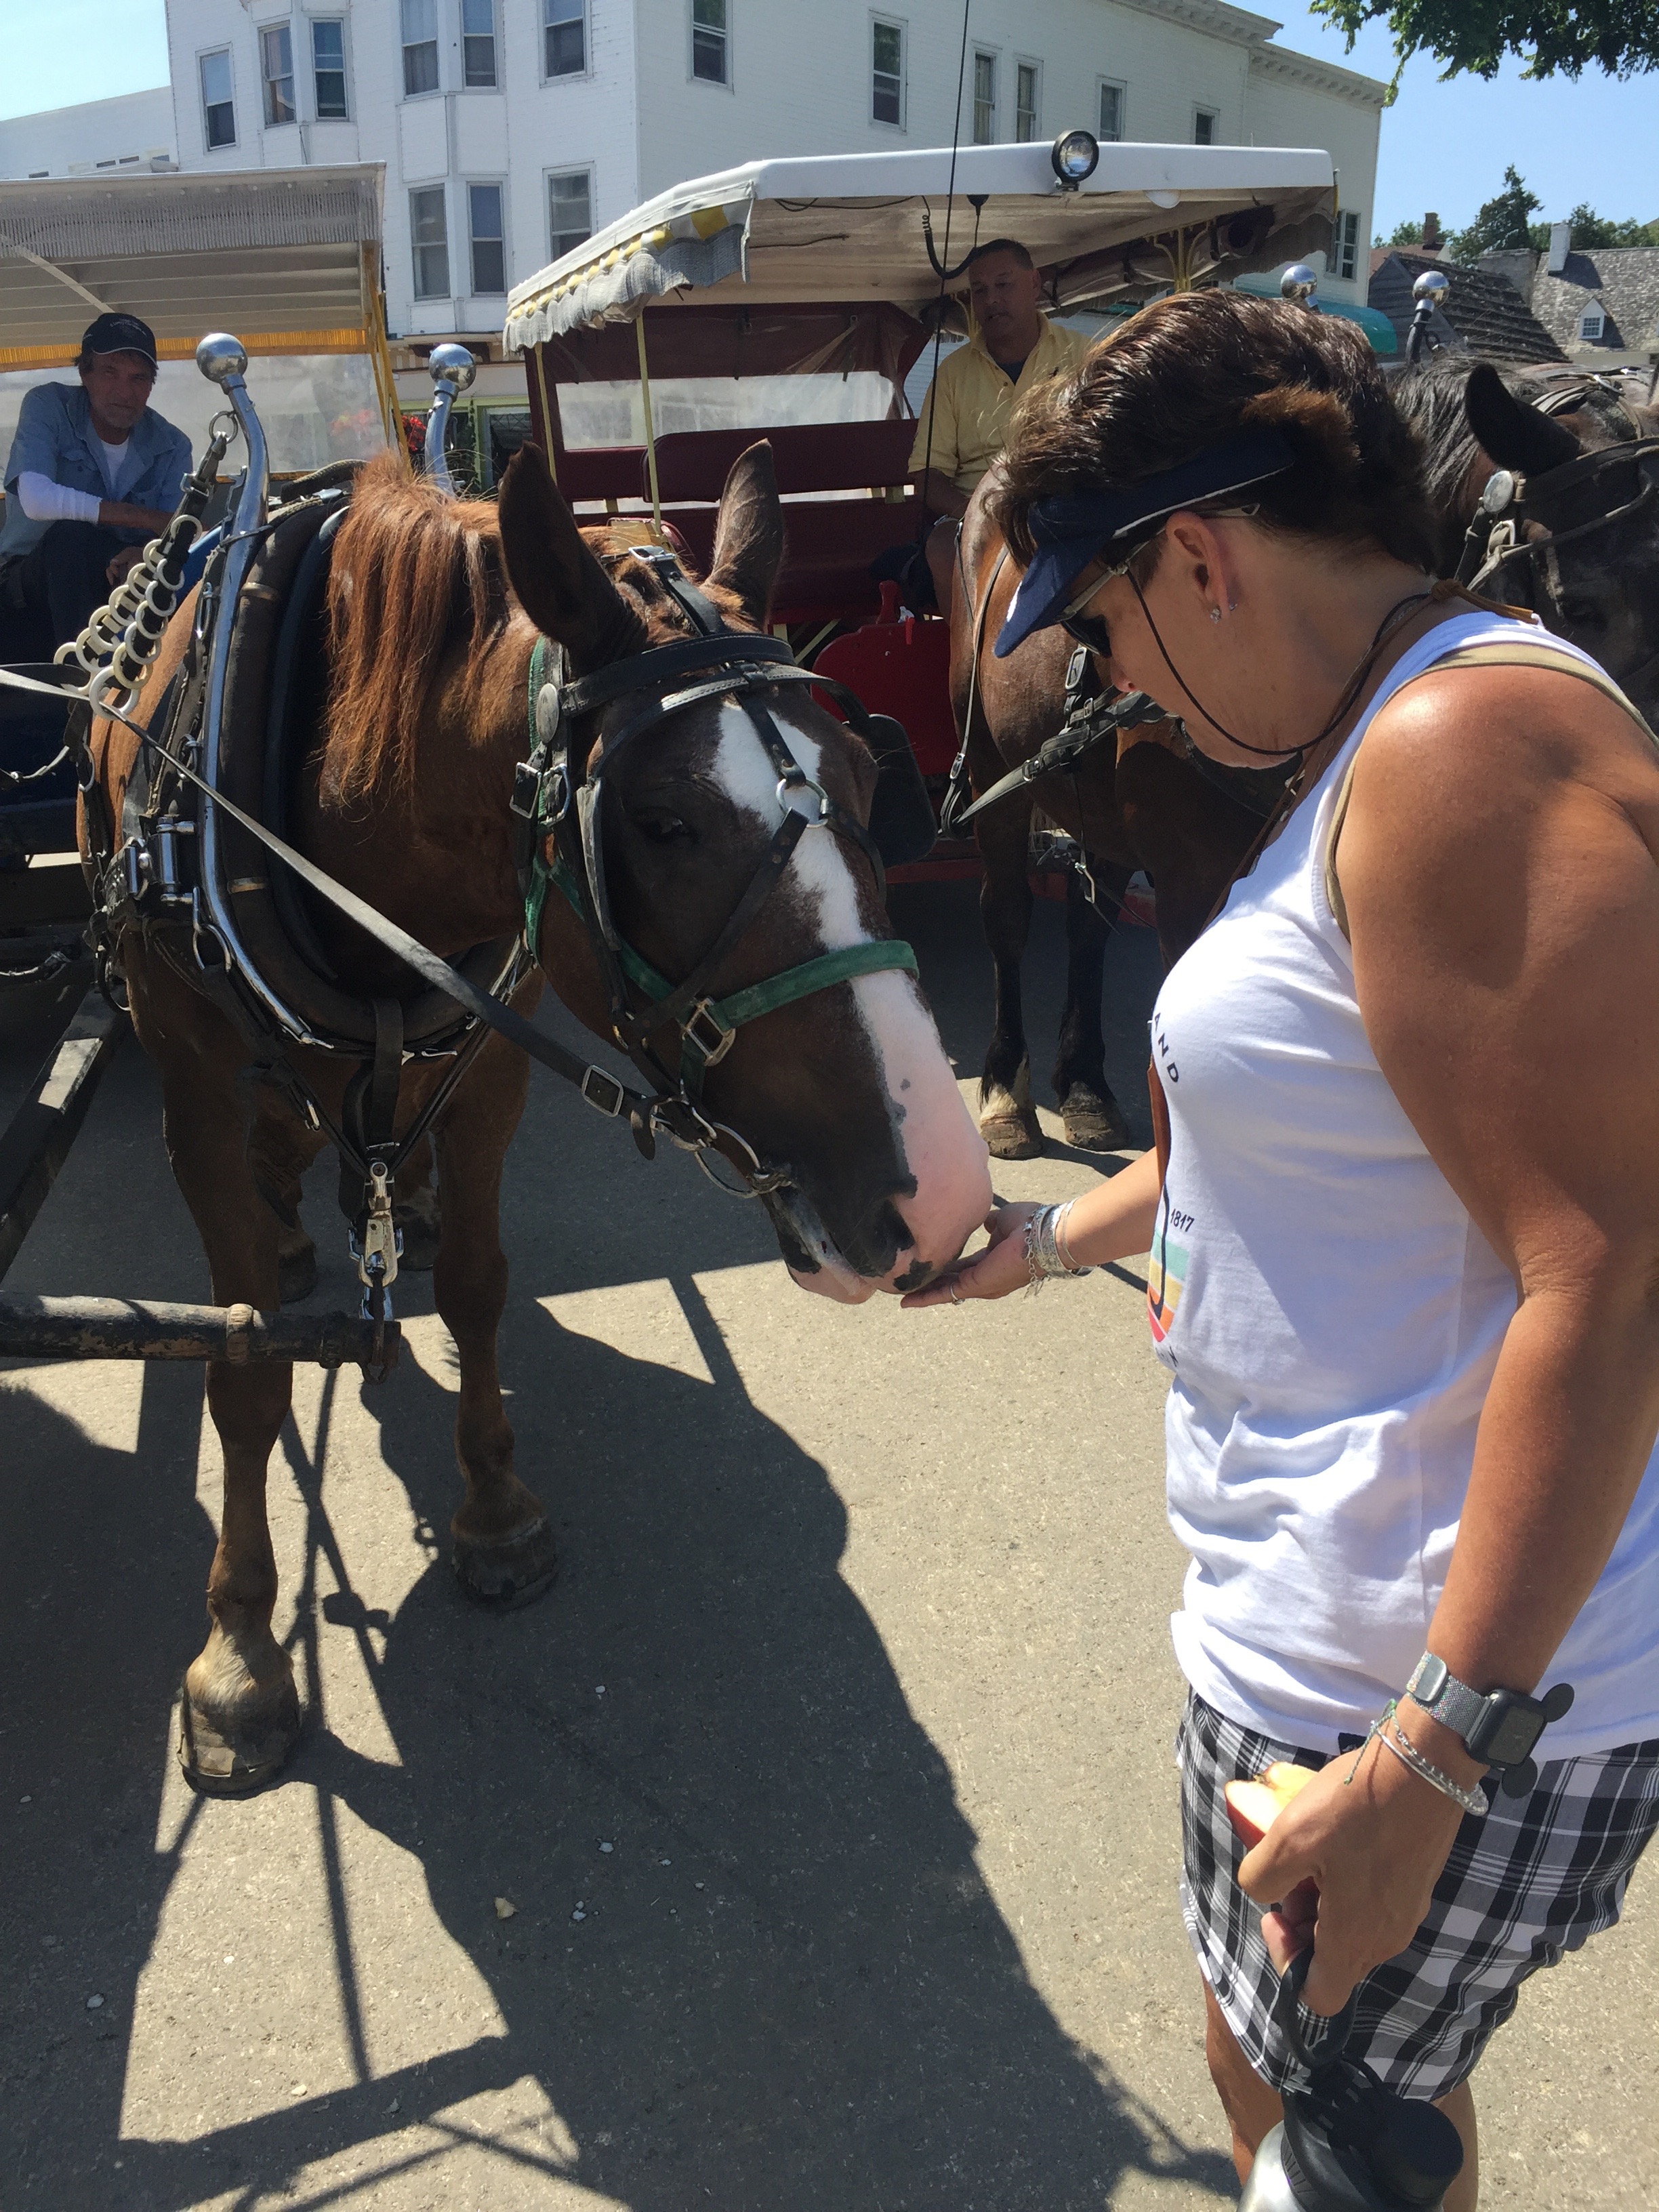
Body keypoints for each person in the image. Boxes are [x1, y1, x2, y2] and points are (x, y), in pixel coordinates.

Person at [902, 289, 1659, 2209]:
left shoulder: (1461, 747)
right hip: (1328, 1640)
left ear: (1198, 558)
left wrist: (1429, 1764)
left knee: (1329, 2147)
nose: (1114, 689)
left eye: (1096, 629)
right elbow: (1268, 1145)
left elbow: (1614, 1275)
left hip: (1419, 1679)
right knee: (1283, 2077)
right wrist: (1041, 1240)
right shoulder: (1372, 744)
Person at [902, 239, 1092, 615]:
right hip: (979, 516)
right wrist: (979, 512)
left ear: (1034, 284)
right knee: (941, 547)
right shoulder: (952, 375)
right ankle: (967, 650)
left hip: (1064, 507)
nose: (991, 300)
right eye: (979, 290)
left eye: (1003, 285)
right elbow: (926, 476)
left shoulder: (1086, 357)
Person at [0, 312, 192, 655]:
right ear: (84, 374)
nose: (125, 392)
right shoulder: (48, 405)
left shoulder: (173, 445)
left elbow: (176, 538)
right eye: (110, 372)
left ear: (151, 385)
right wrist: (143, 519)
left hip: (121, 588)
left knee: (169, 574)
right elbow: (36, 499)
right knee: (71, 537)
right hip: (26, 592)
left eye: (138, 378)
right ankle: (84, 675)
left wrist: (144, 554)